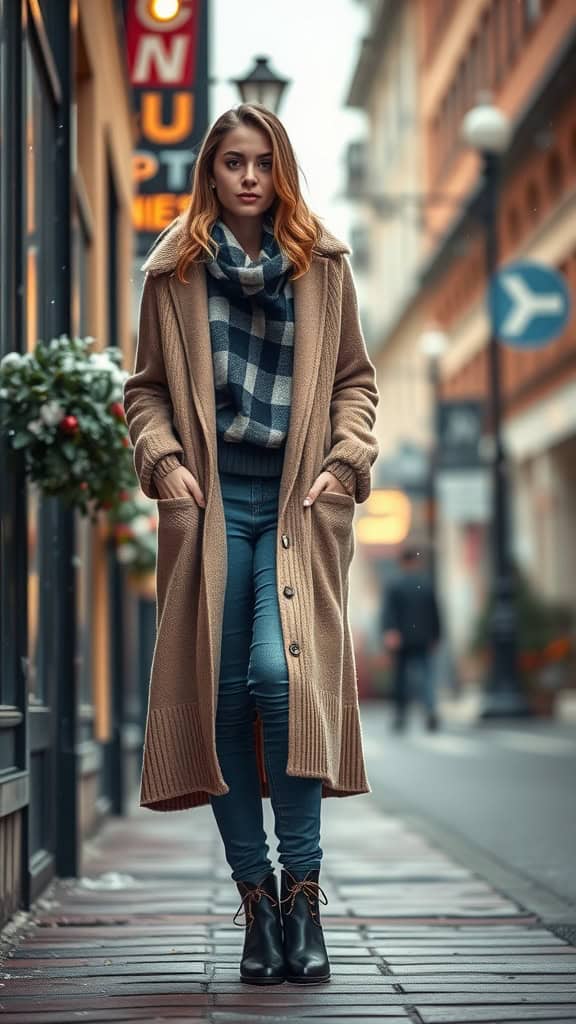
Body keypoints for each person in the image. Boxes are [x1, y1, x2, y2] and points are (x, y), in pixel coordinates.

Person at [123, 104, 379, 987]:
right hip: (212, 501)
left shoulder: (326, 268)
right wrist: (162, 461)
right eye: (232, 162)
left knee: (283, 679)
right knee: (222, 693)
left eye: (262, 163)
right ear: (211, 171)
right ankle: (257, 904)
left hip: (296, 501)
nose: (247, 177)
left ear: (282, 172)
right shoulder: (173, 272)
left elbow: (354, 382)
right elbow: (145, 390)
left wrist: (344, 464)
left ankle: (303, 890)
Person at [382, 546, 442, 732]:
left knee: (401, 679)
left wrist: (390, 631)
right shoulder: (426, 584)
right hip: (423, 638)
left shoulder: (395, 584)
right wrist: (436, 635)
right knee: (426, 677)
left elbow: (388, 613)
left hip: (402, 639)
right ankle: (430, 710)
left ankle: (401, 716)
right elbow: (436, 612)